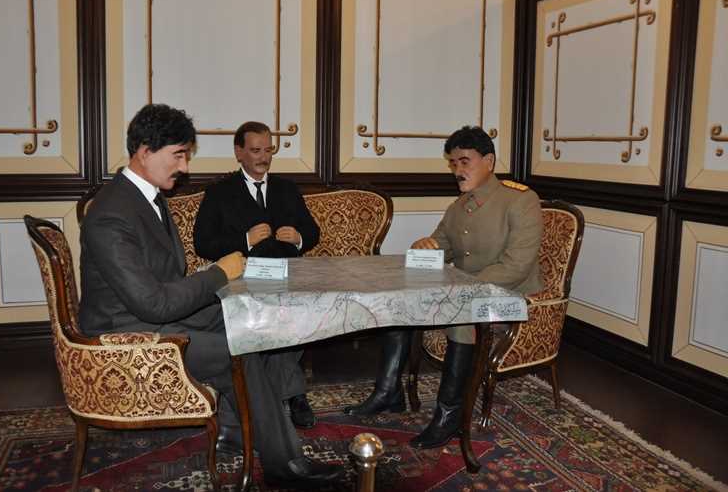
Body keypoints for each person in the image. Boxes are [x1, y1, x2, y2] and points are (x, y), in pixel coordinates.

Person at [78, 104, 340, 488]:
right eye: (178, 155)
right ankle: (286, 465)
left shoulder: (143, 197)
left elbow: (163, 284)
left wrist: (216, 281)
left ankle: (234, 429)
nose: (184, 167)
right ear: (145, 151)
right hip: (126, 334)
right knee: (241, 349)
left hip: (150, 313)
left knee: (252, 322)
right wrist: (220, 273)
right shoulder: (111, 214)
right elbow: (153, 304)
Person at [344, 125, 543, 450]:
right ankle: (388, 392)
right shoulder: (459, 207)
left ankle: (449, 416)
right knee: (402, 302)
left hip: (510, 296)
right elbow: (441, 247)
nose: (457, 170)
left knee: (463, 318)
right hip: (467, 292)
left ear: (489, 161)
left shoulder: (521, 200)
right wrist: (424, 247)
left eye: (465, 161)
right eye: (453, 163)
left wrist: (463, 289)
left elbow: (516, 266)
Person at [194, 121, 320, 428]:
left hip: (288, 277)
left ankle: (274, 393)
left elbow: (313, 232)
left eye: (268, 150)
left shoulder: (287, 189)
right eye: (255, 150)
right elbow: (203, 243)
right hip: (245, 278)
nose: (264, 157)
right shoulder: (219, 192)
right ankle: (294, 394)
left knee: (292, 311)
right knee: (275, 316)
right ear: (239, 152)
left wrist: (299, 238)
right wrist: (245, 240)